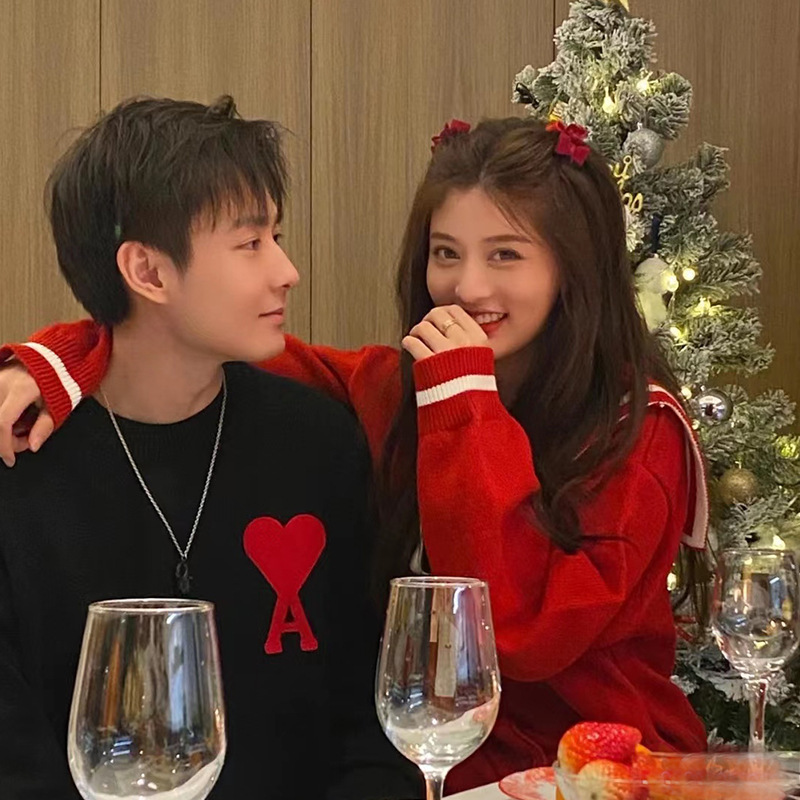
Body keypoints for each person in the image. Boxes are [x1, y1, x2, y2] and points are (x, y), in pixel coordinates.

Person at [0, 116, 709, 793]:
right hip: (448, 774)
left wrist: (463, 403)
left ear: (574, 267)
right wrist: (57, 362)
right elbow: (177, 343)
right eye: (445, 253)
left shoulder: (640, 431)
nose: (467, 287)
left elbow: (519, 632)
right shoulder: (397, 388)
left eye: (506, 254)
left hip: (609, 774)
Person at [0, 95, 419, 799]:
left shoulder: (318, 443)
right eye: (250, 243)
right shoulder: (21, 464)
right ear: (148, 272)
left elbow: (374, 715)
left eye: (276, 236)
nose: (286, 270)